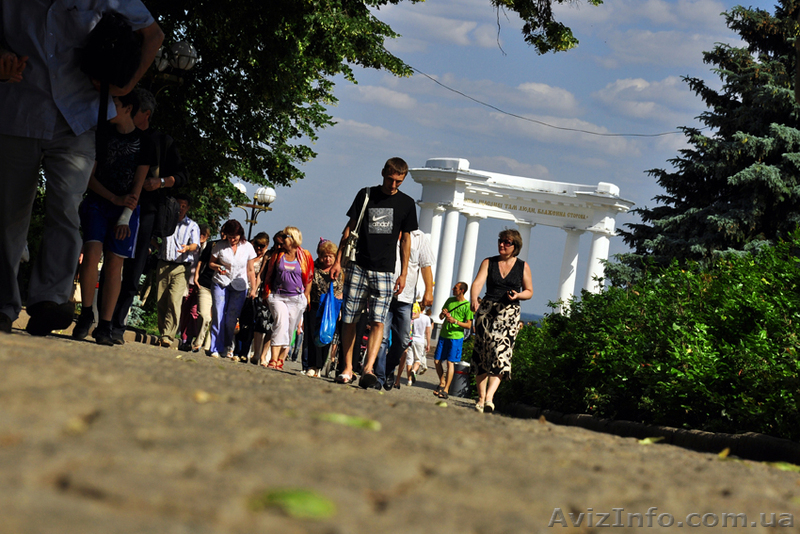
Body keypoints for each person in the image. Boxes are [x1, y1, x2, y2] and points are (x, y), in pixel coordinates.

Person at [0, 3, 163, 335]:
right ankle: (3, 304)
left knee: (65, 207)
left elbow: (153, 34)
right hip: (18, 110)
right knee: (8, 216)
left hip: (77, 118)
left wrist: (126, 86)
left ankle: (51, 301)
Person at [72, 92, 157, 345]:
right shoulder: (102, 135)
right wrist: (113, 199)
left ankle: (105, 325)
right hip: (99, 202)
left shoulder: (145, 142)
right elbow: (89, 177)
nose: (109, 108)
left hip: (126, 209)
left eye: (115, 104)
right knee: (91, 255)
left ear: (128, 108)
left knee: (114, 265)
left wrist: (125, 216)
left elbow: (138, 185)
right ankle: (86, 315)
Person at [108, 87, 189, 343]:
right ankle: (104, 319)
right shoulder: (116, 133)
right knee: (110, 261)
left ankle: (118, 325)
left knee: (133, 270)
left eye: (135, 111)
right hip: (116, 204)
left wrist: (161, 182)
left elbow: (183, 176)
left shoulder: (161, 141)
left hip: (147, 212)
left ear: (146, 114)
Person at [330, 157, 418, 388]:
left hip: (386, 270)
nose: (393, 185)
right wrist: (338, 261)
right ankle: (347, 368)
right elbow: (349, 229)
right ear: (383, 173)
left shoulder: (407, 204)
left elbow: (406, 240)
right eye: (390, 179)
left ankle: (368, 369)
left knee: (378, 320)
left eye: (398, 181)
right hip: (359, 264)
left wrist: (404, 273)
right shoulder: (366, 194)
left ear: (404, 179)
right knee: (349, 318)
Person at [469, 229, 534, 413]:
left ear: (515, 247)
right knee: (482, 354)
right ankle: (481, 399)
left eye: (507, 242)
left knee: (501, 354)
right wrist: (474, 298)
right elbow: (477, 283)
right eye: (501, 241)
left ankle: (490, 397)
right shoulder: (488, 262)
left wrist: (518, 295)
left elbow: (529, 291)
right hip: (487, 311)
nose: (502, 245)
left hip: (509, 313)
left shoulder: (523, 266)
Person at [374, 229, 435, 390]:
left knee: (402, 341)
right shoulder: (388, 230)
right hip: (384, 294)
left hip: (406, 298)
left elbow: (426, 265)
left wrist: (429, 290)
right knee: (382, 339)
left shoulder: (419, 237)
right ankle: (379, 377)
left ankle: (388, 369)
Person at [262, 227, 313, 370]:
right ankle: (272, 358)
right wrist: (267, 292)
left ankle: (281, 359)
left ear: (292, 238)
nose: (282, 239)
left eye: (285, 236)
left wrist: (305, 295)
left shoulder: (305, 255)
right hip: (278, 296)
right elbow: (269, 274)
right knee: (280, 322)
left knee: (290, 328)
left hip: (296, 298)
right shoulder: (278, 255)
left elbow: (309, 277)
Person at [155, 193, 200, 348]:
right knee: (161, 301)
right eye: (178, 205)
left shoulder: (192, 226)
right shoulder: (166, 221)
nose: (180, 209)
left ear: (187, 208)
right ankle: (163, 333)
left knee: (174, 300)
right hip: (163, 264)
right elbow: (153, 234)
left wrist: (187, 247)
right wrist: (157, 247)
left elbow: (195, 245)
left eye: (183, 206)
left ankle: (168, 335)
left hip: (181, 267)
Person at [209, 220, 257, 359]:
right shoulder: (220, 246)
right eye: (230, 237)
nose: (232, 239)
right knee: (218, 314)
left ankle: (226, 345)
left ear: (240, 234)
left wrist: (253, 288)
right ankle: (214, 347)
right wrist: (218, 267)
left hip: (239, 286)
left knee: (231, 319)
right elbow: (211, 263)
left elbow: (250, 270)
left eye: (235, 236)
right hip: (221, 282)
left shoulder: (247, 247)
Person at [303, 239, 344, 377]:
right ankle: (312, 365)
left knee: (326, 336)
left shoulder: (339, 271)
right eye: (325, 255)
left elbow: (341, 290)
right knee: (312, 336)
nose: (327, 258)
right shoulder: (314, 268)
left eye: (330, 256)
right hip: (314, 305)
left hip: (331, 308)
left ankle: (320, 366)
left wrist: (339, 309)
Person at [433, 282, 474, 399]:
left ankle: (446, 389)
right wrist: (443, 314)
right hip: (443, 335)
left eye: (455, 288)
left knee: (450, 363)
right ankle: (442, 382)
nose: (453, 289)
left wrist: (455, 321)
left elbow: (468, 325)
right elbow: (441, 317)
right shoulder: (450, 301)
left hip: (456, 338)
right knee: (437, 361)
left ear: (461, 290)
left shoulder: (467, 306)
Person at [233, 231, 269, 362]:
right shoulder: (248, 255)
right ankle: (236, 351)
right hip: (241, 289)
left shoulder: (265, 258)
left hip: (255, 293)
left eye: (262, 246)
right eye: (257, 245)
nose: (259, 248)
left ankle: (244, 352)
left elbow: (261, 275)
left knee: (250, 325)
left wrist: (254, 289)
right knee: (239, 322)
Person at [178, 223, 211, 350]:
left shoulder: (207, 247)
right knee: (185, 311)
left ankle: (190, 337)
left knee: (195, 312)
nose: (201, 236)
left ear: (207, 236)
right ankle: (184, 337)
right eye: (200, 233)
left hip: (199, 284)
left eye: (204, 234)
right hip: (188, 282)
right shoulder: (191, 246)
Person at [192, 226, 217, 353]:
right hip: (205, 284)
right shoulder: (212, 245)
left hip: (220, 287)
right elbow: (201, 261)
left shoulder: (233, 251)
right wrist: (196, 277)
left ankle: (207, 345)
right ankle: (198, 341)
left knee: (214, 318)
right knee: (204, 315)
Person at [395, 302, 432, 387]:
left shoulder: (414, 317)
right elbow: (427, 332)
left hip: (411, 339)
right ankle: (414, 371)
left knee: (409, 360)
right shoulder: (427, 318)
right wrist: (428, 344)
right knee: (418, 360)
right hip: (420, 340)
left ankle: (409, 380)